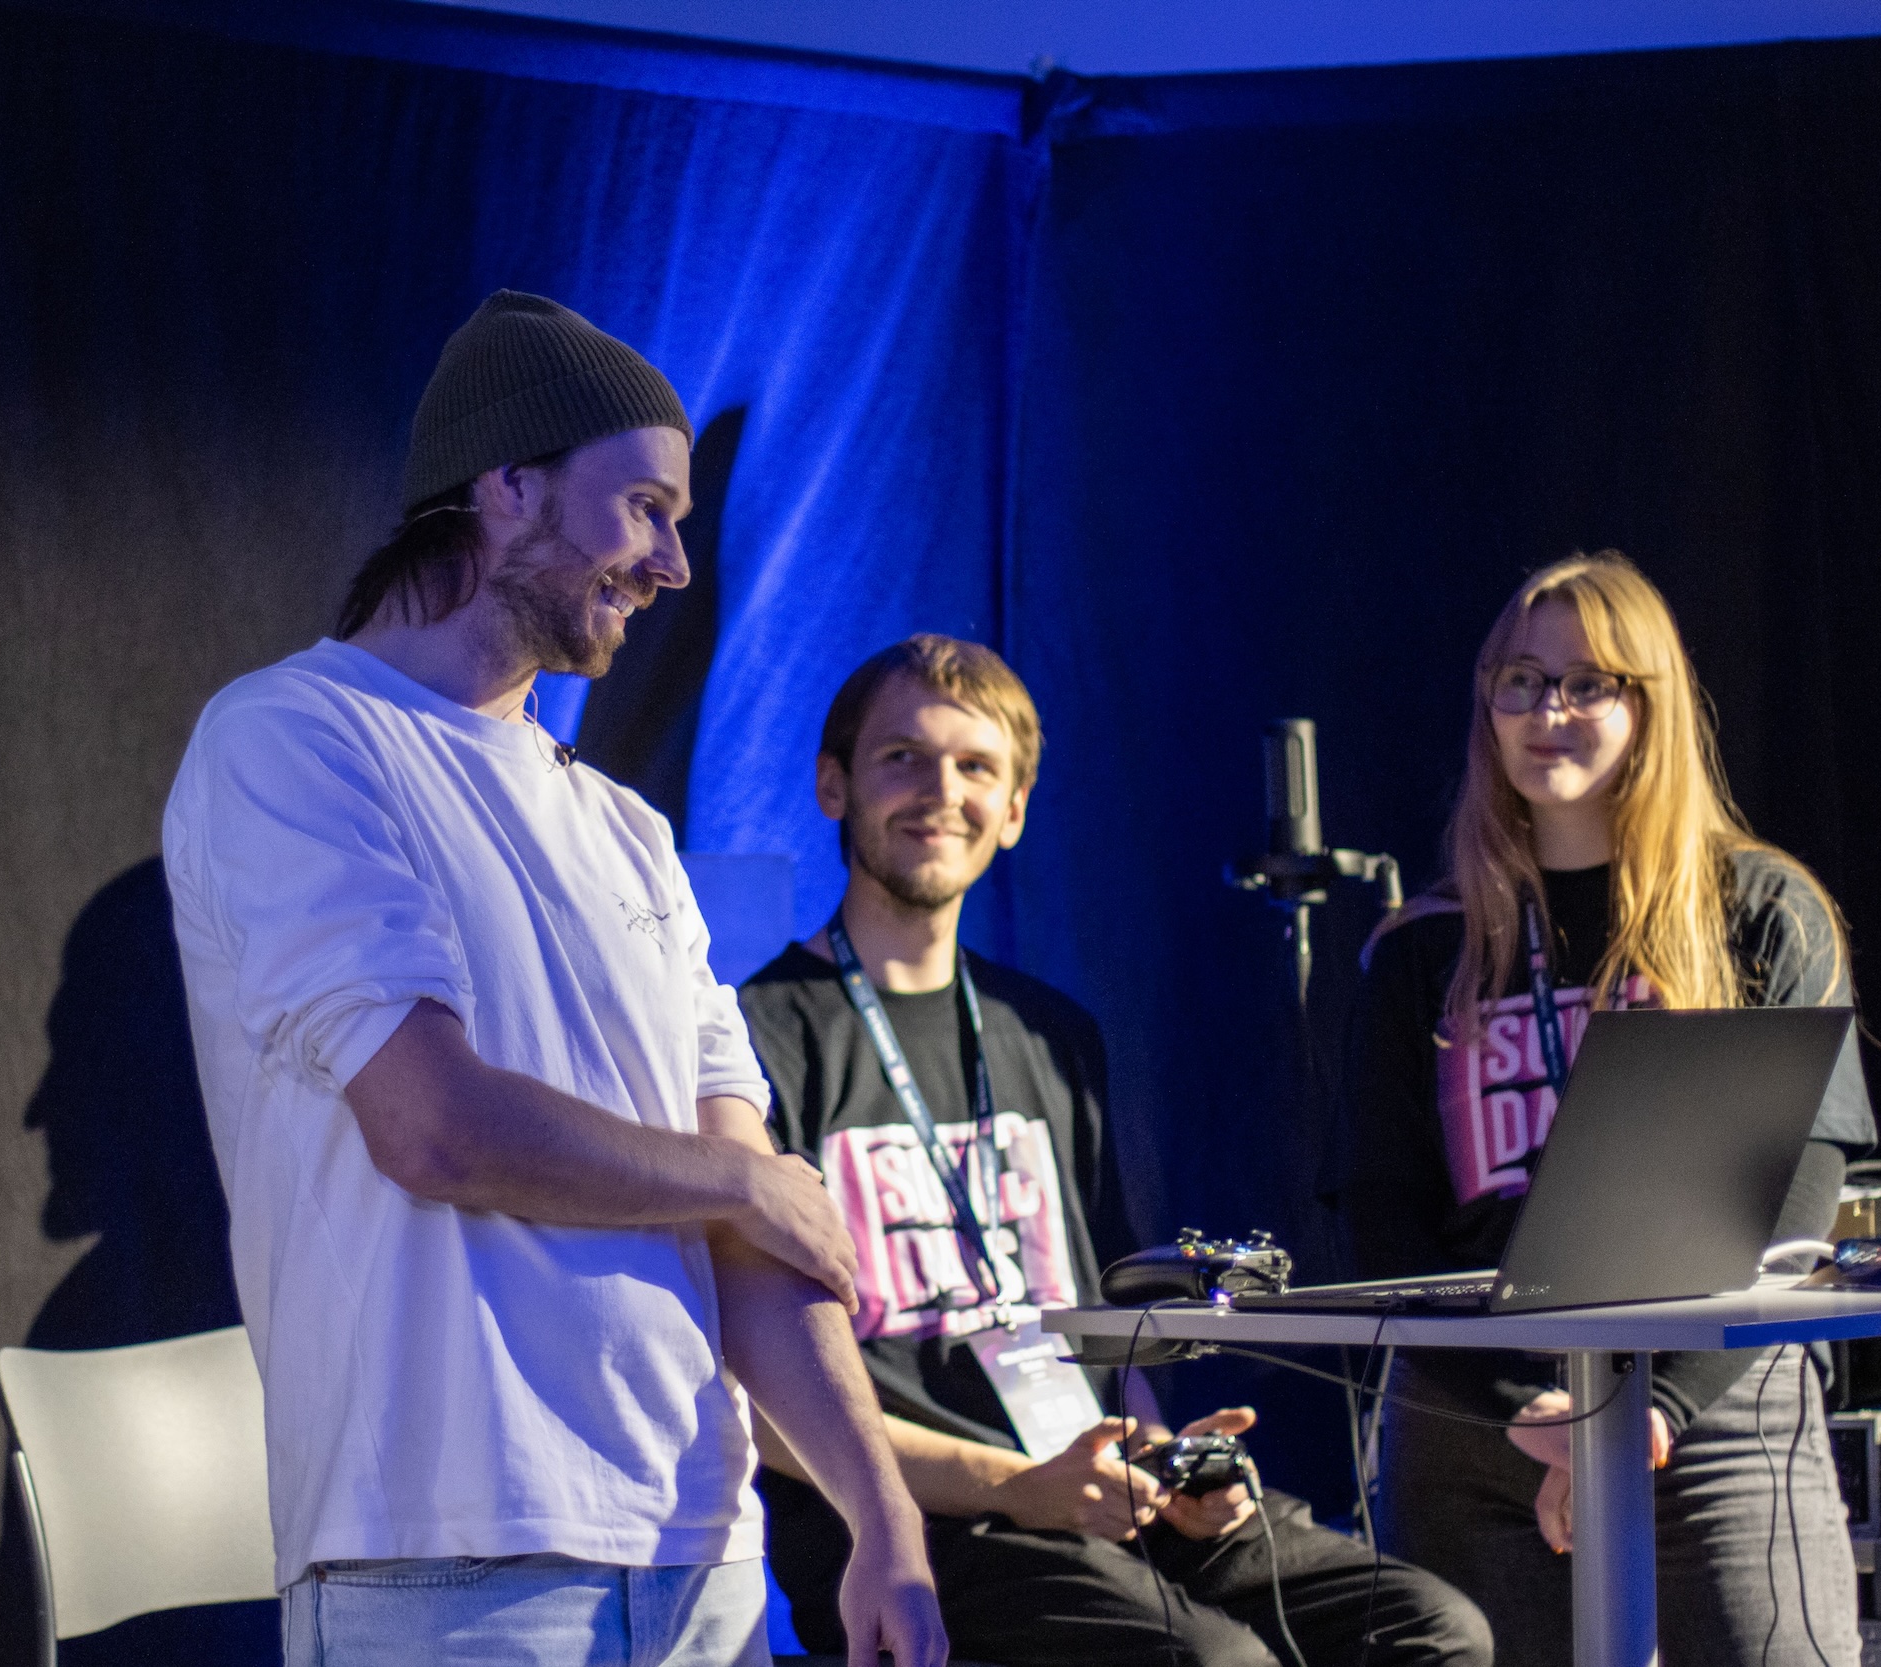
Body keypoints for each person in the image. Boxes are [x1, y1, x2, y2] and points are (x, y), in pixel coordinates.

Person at [163, 291, 945, 1667]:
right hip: (450, 1566)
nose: (674, 564)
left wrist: (885, 1517)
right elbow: (436, 1125)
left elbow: (758, 1242)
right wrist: (740, 1179)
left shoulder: (628, 831)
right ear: (508, 483)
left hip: (704, 1558)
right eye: (645, 507)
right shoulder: (294, 737)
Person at [740, 634, 1493, 1667]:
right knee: (1218, 1663)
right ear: (833, 784)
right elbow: (761, 1390)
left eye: (975, 766)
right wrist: (1017, 1485)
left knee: (1430, 1628)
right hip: (915, 1521)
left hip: (1088, 1485)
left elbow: (1107, 1313)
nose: (940, 791)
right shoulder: (759, 1036)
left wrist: (1166, 1462)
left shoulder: (1049, 1031)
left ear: (1013, 810)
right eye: (902, 757)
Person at [1348, 552, 1874, 1667]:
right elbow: (1382, 1221)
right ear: (1487, 705)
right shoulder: (1418, 950)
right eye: (1523, 681)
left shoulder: (1761, 911)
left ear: (1650, 703)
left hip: (1710, 1403)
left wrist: (1650, 1408)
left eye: (1589, 683)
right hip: (1477, 1420)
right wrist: (1534, 1416)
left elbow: (1797, 1196)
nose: (1550, 712)